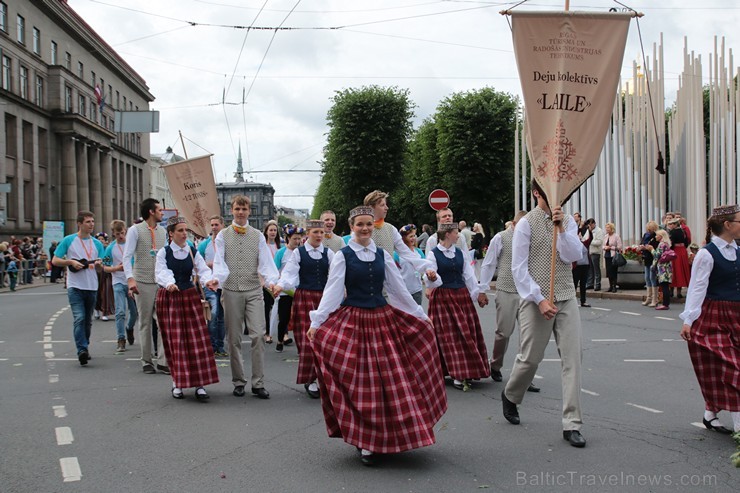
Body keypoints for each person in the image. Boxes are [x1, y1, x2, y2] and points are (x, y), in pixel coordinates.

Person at [307, 206, 447, 466]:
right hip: (355, 321)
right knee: (361, 384)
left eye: (368, 224)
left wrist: (419, 314)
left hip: (382, 319)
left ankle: (391, 435)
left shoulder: (382, 254)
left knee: (393, 381)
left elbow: (398, 291)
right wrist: (318, 320)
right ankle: (365, 442)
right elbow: (333, 291)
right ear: (351, 226)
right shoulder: (343, 256)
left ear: (374, 226)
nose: (365, 228)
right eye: (360, 224)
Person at [501, 180, 586, 448]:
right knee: (530, 358)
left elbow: (574, 255)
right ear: (538, 193)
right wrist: (538, 299)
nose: (558, 198)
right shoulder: (526, 224)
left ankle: (571, 423)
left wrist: (561, 228)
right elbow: (518, 269)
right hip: (536, 298)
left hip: (566, 296)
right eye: (550, 193)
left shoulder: (568, 222)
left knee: (573, 359)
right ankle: (512, 394)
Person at [679, 204, 740, 435]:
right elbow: (697, 288)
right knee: (734, 368)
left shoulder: (737, 250)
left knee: (723, 368)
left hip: (737, 315)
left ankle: (710, 413)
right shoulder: (707, 254)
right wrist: (689, 319)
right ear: (728, 225)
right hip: (715, 316)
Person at [212, 195, 280, 399]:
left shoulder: (258, 235)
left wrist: (272, 281)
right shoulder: (222, 235)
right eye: (237, 209)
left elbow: (266, 263)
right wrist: (217, 279)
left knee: (258, 334)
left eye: (244, 209)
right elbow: (219, 263)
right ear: (231, 211)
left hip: (253, 289)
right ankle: (239, 381)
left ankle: (258, 383)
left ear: (249, 211)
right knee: (233, 338)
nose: (240, 212)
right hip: (231, 290)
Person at [155, 216, 219, 401]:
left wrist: (209, 280)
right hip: (171, 298)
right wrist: (170, 283)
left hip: (190, 296)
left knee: (197, 340)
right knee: (177, 342)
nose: (184, 234)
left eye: (186, 230)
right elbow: (161, 272)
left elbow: (202, 269)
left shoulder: (192, 250)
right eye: (181, 231)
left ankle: (200, 384)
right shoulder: (163, 253)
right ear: (171, 233)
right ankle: (178, 382)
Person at [479, 211, 540, 392]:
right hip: (506, 288)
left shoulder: (533, 239)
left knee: (528, 336)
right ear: (513, 224)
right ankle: (496, 365)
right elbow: (489, 263)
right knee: (504, 332)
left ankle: (524, 376)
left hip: (527, 292)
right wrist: (483, 288)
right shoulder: (501, 238)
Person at [273, 219, 334, 398]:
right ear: (308, 233)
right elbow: (290, 273)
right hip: (304, 298)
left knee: (325, 340)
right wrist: (281, 285)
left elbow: (337, 274)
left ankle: (324, 378)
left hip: (324, 299)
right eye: (316, 232)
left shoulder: (328, 253)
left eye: (321, 233)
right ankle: (310, 379)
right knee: (307, 341)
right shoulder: (299, 253)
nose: (319, 236)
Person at [426, 223, 490, 391]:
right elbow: (430, 275)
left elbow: (468, 276)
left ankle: (465, 370)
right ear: (447, 234)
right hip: (442, 298)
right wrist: (431, 277)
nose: (459, 235)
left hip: (461, 296)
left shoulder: (461, 253)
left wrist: (478, 295)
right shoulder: (433, 255)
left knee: (465, 333)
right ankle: (456, 373)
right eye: (456, 233)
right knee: (448, 337)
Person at [51, 211, 105, 366]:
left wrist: (100, 266)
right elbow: (55, 260)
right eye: (88, 222)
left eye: (93, 221)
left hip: (92, 286)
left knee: (87, 320)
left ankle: (85, 345)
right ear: (79, 223)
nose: (91, 224)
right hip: (75, 286)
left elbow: (100, 268)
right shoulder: (69, 240)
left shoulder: (97, 244)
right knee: (79, 318)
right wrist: (70, 262)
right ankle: (81, 349)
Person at [123, 198, 169, 375]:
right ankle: (146, 360)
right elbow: (127, 257)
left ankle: (163, 361)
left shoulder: (163, 231)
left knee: (163, 322)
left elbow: (164, 257)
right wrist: (130, 279)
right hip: (142, 281)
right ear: (151, 211)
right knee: (145, 321)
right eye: (159, 210)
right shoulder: (135, 230)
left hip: (159, 281)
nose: (162, 213)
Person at [363, 190, 431, 274]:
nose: (386, 208)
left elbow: (406, 252)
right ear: (371, 208)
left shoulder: (391, 229)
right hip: (366, 277)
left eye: (386, 205)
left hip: (387, 278)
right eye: (382, 205)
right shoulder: (361, 230)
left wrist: (427, 267)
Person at [103, 220, 138, 353]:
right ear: (113, 234)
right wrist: (116, 268)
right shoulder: (110, 248)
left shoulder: (132, 246)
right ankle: (121, 338)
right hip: (117, 282)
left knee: (134, 312)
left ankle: (129, 328)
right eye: (118, 234)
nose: (121, 236)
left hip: (132, 281)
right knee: (120, 311)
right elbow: (105, 267)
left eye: (122, 233)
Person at [198, 215, 227, 358]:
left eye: (217, 225)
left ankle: (220, 345)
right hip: (209, 284)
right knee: (213, 313)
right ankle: (211, 345)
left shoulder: (227, 242)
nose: (214, 227)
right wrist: (207, 265)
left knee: (221, 317)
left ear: (222, 225)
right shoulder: (204, 244)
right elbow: (198, 263)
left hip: (223, 284)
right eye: (212, 225)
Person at [273, 224, 304, 352]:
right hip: (285, 290)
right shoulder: (281, 252)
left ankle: (300, 345)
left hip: (299, 289)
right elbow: (274, 270)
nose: (297, 241)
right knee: (284, 317)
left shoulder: (302, 252)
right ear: (288, 238)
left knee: (299, 319)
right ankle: (280, 339)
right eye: (294, 239)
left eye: (299, 239)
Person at [393, 224, 425, 305]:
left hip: (417, 289)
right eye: (410, 236)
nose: (413, 238)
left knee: (418, 314)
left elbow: (424, 267)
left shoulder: (418, 251)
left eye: (414, 235)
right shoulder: (396, 254)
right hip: (403, 290)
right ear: (403, 238)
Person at [262, 220, 281, 344]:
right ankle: (267, 333)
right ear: (266, 232)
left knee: (279, 308)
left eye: (275, 230)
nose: (273, 232)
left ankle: (280, 333)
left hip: (279, 282)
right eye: (271, 230)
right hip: (266, 283)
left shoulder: (281, 247)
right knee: (266, 308)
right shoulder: (263, 246)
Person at [648, 229, 674, 310]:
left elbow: (657, 255)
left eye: (657, 235)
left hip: (663, 267)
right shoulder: (666, 244)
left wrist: (651, 249)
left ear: (661, 236)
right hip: (667, 266)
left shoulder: (662, 244)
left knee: (664, 285)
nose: (655, 237)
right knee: (665, 285)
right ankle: (666, 303)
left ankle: (665, 304)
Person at [667, 218, 691, 298]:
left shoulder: (672, 232)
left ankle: (671, 291)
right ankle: (679, 292)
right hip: (683, 250)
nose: (670, 226)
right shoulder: (683, 231)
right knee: (682, 270)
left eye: (671, 224)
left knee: (674, 270)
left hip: (676, 251)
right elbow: (687, 242)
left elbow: (672, 243)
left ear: (675, 224)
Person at [639, 221, 660, 307]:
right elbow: (642, 243)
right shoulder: (645, 235)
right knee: (647, 277)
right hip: (646, 258)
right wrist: (640, 247)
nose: (648, 230)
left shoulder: (655, 236)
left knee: (652, 277)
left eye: (650, 229)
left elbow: (655, 247)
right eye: (648, 229)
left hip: (652, 258)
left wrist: (647, 248)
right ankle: (649, 297)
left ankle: (655, 299)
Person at [95, 232, 114, 321]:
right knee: (96, 291)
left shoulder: (108, 248)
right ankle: (96, 309)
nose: (100, 241)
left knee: (106, 291)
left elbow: (108, 260)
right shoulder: (94, 248)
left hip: (105, 272)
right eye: (99, 239)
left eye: (102, 239)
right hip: (96, 272)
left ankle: (105, 312)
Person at [602, 222, 623, 293]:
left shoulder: (616, 236)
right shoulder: (605, 236)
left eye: (608, 228)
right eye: (606, 228)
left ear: (612, 228)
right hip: (607, 255)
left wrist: (611, 248)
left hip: (613, 256)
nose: (607, 229)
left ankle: (614, 286)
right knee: (608, 271)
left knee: (613, 271)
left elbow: (619, 247)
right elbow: (603, 245)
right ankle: (610, 286)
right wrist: (605, 247)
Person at [573, 232, 591, 308]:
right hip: (577, 267)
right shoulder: (573, 245)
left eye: (580, 235)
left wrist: (589, 230)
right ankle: (572, 302)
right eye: (578, 235)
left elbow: (590, 239)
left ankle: (583, 301)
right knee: (574, 284)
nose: (579, 236)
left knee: (583, 284)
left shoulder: (584, 244)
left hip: (585, 266)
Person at [585, 219, 603, 291]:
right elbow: (585, 238)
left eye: (590, 225)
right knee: (590, 269)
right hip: (589, 251)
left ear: (593, 224)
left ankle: (598, 284)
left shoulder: (599, 231)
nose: (589, 226)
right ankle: (590, 283)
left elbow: (599, 242)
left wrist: (590, 241)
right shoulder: (588, 231)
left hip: (596, 252)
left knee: (596, 269)